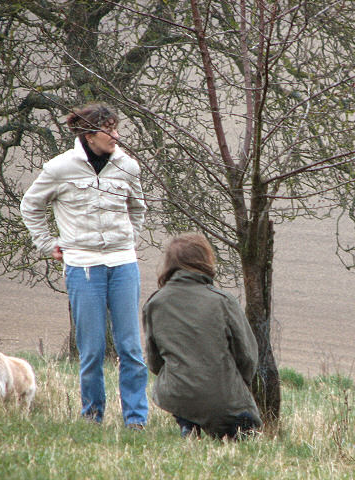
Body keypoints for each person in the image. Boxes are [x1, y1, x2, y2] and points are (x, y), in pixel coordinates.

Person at [20, 102, 148, 429]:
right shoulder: (59, 168)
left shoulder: (128, 167)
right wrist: (49, 244)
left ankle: (136, 420)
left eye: (117, 128)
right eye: (110, 130)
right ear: (90, 135)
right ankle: (92, 417)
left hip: (123, 265)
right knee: (90, 351)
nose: (116, 136)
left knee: (130, 349)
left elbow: (138, 209)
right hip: (83, 268)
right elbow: (31, 207)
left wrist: (128, 241)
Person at [143, 232, 262, 439]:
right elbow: (248, 357)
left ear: (168, 264)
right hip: (225, 398)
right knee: (246, 435)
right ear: (206, 260)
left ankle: (188, 427)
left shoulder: (155, 303)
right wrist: (238, 386)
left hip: (176, 395)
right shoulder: (223, 301)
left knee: (187, 401)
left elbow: (154, 362)